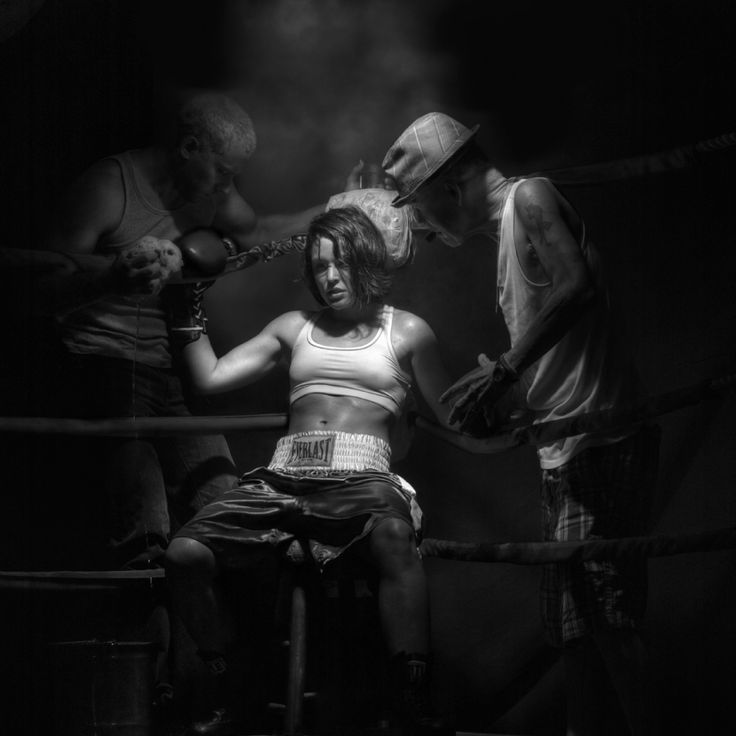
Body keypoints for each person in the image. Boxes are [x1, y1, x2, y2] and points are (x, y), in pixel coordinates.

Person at [382, 113, 660, 736]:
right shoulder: (504, 236)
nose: (421, 219)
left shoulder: (529, 197)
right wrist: (510, 399)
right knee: (576, 634)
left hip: (603, 438)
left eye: (419, 202)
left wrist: (506, 370)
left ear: (448, 186)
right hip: (565, 446)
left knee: (609, 622)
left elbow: (577, 287)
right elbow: (560, 346)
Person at [164, 206, 456, 736]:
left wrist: (500, 405)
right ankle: (232, 686)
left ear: (366, 260)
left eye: (340, 264)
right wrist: (186, 299)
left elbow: (454, 414)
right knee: (184, 553)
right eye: (319, 267)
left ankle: (412, 698)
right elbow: (208, 377)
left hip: (362, 480)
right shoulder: (293, 327)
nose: (329, 277)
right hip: (284, 477)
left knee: (393, 536)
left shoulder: (408, 330)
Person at [42, 90, 326, 569]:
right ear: (189, 147)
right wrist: (111, 278)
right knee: (144, 522)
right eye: (223, 172)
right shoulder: (109, 187)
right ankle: (146, 639)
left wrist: (337, 206)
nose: (226, 188)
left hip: (166, 367)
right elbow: (40, 286)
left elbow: (257, 234)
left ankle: (220, 645)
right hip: (99, 365)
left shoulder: (209, 190)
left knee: (225, 502)